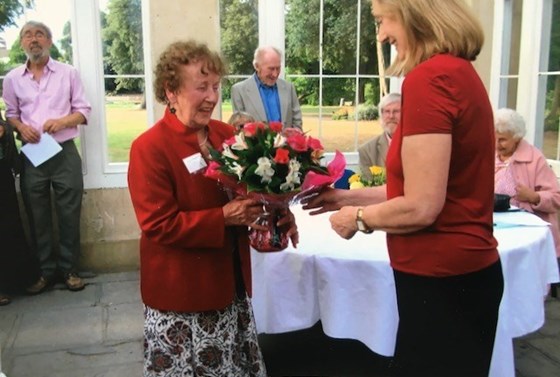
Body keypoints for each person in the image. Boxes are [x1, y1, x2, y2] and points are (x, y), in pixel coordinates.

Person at [303, 1, 504, 376]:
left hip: (441, 279)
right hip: (461, 275)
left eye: (381, 21)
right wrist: (342, 197)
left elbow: (422, 206)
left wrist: (357, 219)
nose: (380, 35)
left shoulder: (430, 79)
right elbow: (417, 188)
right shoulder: (459, 72)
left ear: (413, 13)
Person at [127, 40, 297, 376]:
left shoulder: (224, 134)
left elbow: (251, 191)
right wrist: (222, 218)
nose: (211, 96)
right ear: (171, 91)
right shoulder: (149, 148)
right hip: (184, 296)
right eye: (201, 87)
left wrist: (276, 210)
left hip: (229, 286)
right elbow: (158, 225)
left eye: (216, 86)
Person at [2, 21, 91, 293]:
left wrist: (63, 121)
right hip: (32, 156)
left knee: (69, 213)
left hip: (64, 152)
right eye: (28, 35)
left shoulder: (68, 73)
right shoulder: (12, 78)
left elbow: (84, 111)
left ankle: (70, 270)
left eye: (40, 34)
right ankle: (43, 273)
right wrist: (20, 128)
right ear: (22, 44)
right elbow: (11, 115)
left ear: (50, 42)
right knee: (36, 215)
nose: (34, 39)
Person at [494, 108, 560, 262]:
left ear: (517, 138)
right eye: (494, 138)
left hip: (527, 231)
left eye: (502, 139)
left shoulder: (535, 159)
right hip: (496, 225)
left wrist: (534, 197)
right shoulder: (490, 156)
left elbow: (556, 197)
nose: (497, 144)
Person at [0, 111, 42, 306]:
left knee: (9, 224)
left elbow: (5, 124)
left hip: (2, 173)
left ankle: (13, 280)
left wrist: (4, 130)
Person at [231, 46, 302, 129]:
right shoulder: (239, 91)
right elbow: (240, 128)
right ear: (257, 66)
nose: (275, 74)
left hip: (286, 142)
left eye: (278, 68)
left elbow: (297, 123)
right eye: (271, 69)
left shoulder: (289, 88)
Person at [358, 92, 401, 180]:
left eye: (396, 111)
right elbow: (369, 188)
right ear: (381, 115)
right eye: (387, 111)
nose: (391, 116)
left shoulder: (420, 145)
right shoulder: (367, 151)